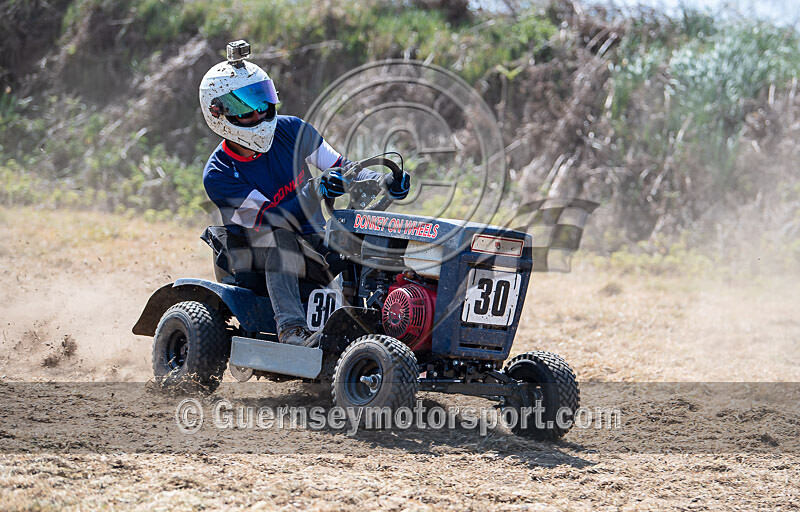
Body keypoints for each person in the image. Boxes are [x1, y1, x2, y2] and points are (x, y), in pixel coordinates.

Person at [199, 41, 410, 347]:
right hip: (252, 253)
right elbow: (271, 219)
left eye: (262, 101)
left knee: (377, 233)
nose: (259, 112)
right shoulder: (219, 174)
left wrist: (382, 180)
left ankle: (387, 320)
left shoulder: (294, 131)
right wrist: (314, 190)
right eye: (246, 106)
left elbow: (344, 167)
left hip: (310, 240)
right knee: (279, 238)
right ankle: (291, 330)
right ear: (218, 113)